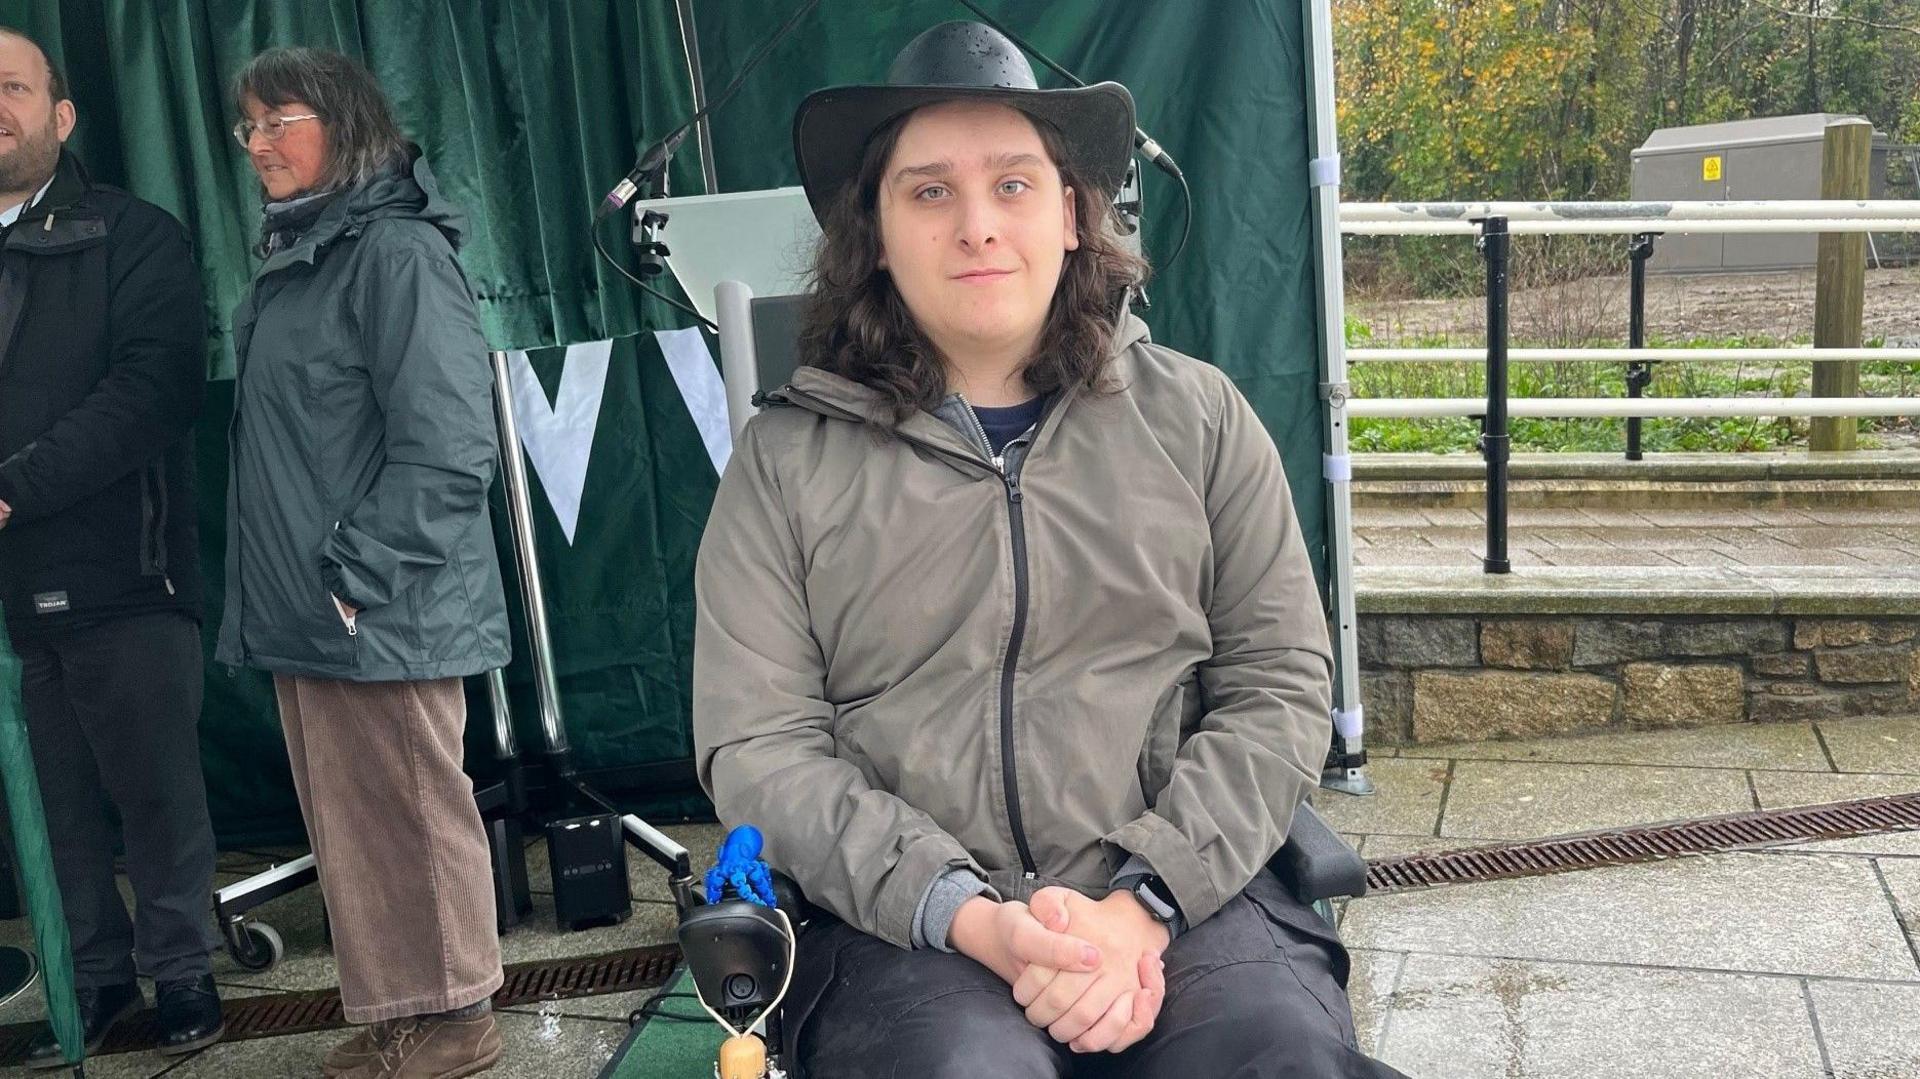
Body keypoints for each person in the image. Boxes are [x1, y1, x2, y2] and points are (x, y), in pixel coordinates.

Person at [694, 22, 1409, 1078]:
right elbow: (759, 745)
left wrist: (1143, 903)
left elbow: (1280, 683)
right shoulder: (784, 462)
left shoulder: (1200, 420)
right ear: (877, 236)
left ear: (1074, 214)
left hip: (1185, 896)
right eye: (929, 191)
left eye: (1015, 185)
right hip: (907, 933)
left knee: (1279, 1054)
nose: (978, 225)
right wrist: (967, 913)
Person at [216, 47, 510, 1079]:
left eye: (277, 119)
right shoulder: (302, 258)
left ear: (344, 122)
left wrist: (356, 577)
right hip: (319, 607)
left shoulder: (394, 252)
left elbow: (448, 443)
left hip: (382, 606)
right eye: (247, 126)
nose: (257, 143)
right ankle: (402, 1017)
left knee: (411, 816)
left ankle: (457, 1021)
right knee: (357, 830)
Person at [0, 26, 225, 1066]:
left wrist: (14, 489)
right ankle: (89, 980)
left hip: (125, 572)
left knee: (153, 785)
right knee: (47, 810)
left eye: (10, 86)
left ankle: (184, 970)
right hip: (8, 597)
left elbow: (152, 390)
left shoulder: (135, 235)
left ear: (62, 112)